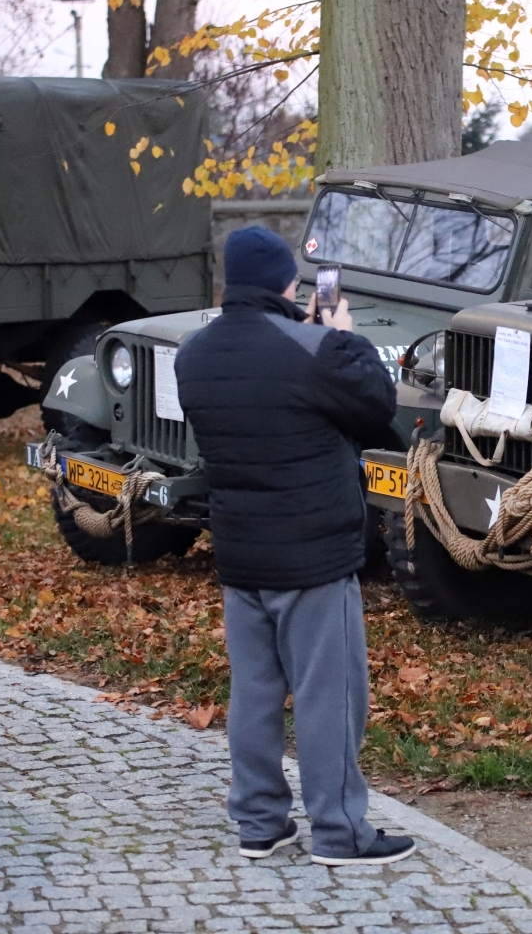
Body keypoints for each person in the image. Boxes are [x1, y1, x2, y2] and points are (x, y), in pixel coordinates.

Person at [175, 227, 414, 867]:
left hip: (239, 552)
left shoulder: (193, 354)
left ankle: (259, 822)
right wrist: (341, 333)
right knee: (328, 693)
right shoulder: (314, 348)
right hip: (313, 556)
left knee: (253, 692)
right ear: (290, 283)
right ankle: (340, 833)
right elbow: (378, 404)